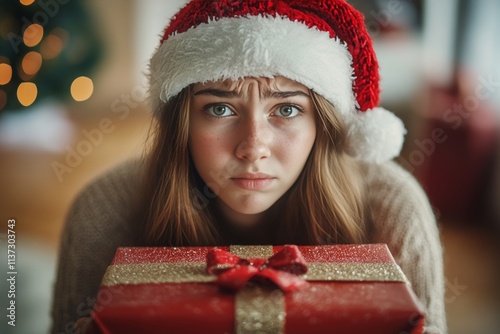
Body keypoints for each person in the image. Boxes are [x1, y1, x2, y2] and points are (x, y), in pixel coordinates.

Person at [51, 0, 447, 333]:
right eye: (220, 108)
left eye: (287, 109)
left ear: (322, 127)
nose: (253, 147)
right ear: (182, 125)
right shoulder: (103, 210)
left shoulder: (394, 208)